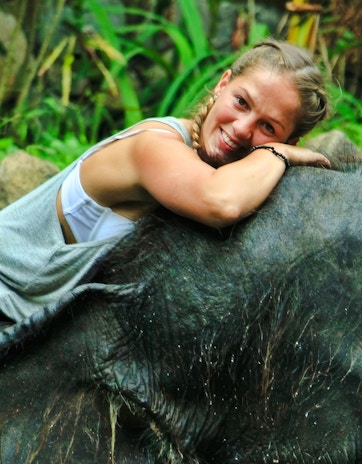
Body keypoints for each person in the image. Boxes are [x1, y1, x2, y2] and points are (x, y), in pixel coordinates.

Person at [0, 38, 330, 328]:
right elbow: (220, 201)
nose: (243, 129)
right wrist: (272, 150)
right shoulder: (153, 146)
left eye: (268, 127)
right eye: (241, 102)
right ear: (222, 84)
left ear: (293, 139)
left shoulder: (232, 172)